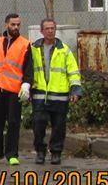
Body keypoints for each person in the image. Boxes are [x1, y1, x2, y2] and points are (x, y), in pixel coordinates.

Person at [0, 13, 33, 166]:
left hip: (14, 90)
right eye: (13, 25)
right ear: (6, 25)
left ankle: (12, 154)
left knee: (14, 122)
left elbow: (28, 67)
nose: (16, 27)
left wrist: (26, 85)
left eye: (18, 25)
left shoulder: (25, 44)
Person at [29, 18, 82, 165]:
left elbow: (73, 71)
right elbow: (27, 70)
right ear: (41, 31)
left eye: (52, 28)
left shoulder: (64, 50)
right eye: (47, 28)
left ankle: (56, 152)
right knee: (38, 125)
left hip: (59, 95)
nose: (50, 31)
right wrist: (26, 88)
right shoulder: (33, 49)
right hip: (39, 94)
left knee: (59, 126)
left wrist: (75, 90)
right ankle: (40, 152)